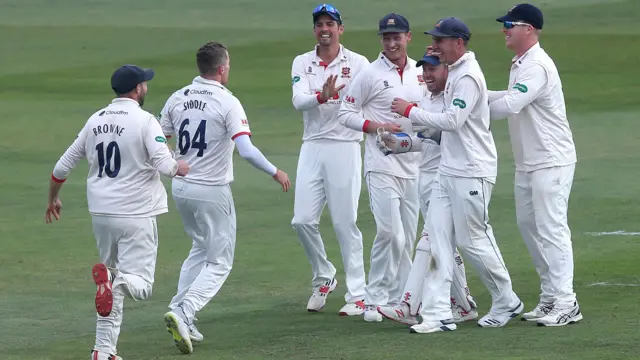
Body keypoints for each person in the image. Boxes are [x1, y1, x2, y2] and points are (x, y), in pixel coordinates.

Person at [45, 64, 190, 360]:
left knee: (109, 290)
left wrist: (53, 200)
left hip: (101, 213)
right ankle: (114, 281)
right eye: (144, 84)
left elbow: (62, 167)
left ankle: (103, 350)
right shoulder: (145, 121)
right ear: (137, 89)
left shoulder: (95, 120)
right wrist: (180, 167)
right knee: (139, 285)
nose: (146, 88)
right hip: (136, 214)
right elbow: (166, 166)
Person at [390, 17, 523, 333]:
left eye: (441, 40)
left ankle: (506, 299)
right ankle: (436, 314)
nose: (435, 45)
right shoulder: (454, 72)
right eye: (434, 40)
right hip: (448, 170)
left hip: (472, 170)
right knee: (438, 240)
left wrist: (409, 111)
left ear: (459, 42)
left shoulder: (467, 78)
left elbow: (452, 121)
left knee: (472, 238)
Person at [159, 41, 291, 354]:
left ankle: (180, 312)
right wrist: (275, 172)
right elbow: (245, 149)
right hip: (212, 190)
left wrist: (173, 164)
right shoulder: (227, 102)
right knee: (220, 262)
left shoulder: (178, 97)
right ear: (222, 68)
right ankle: (184, 311)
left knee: (200, 246)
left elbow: (158, 139)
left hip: (180, 187)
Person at [490, 4, 582, 326]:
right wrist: (474, 94)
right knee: (530, 228)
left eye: (510, 25)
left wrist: (465, 114)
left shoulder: (538, 65)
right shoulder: (521, 63)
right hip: (528, 162)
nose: (504, 29)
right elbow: (509, 95)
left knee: (552, 229)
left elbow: (512, 104)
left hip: (551, 160)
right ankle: (550, 297)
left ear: (528, 29)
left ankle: (567, 302)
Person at [376, 53, 478, 326]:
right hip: (427, 177)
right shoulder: (427, 100)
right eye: (425, 70)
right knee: (441, 244)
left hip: (449, 179)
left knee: (429, 239)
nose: (428, 75)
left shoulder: (452, 101)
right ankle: (465, 305)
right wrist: (400, 144)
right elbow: (428, 140)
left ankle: (408, 304)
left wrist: (410, 111)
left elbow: (448, 132)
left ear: (447, 70)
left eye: (433, 69)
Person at [337, 13, 427, 323]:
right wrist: (375, 126)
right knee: (391, 234)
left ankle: (404, 300)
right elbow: (344, 112)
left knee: (408, 238)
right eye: (386, 38)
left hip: (414, 165)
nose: (391, 42)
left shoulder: (420, 71)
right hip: (381, 164)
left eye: (397, 37)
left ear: (408, 37)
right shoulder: (370, 73)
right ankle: (374, 299)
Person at [290, 3, 371, 316]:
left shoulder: (358, 63)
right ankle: (324, 276)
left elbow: (370, 98)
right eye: (320, 24)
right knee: (302, 220)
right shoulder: (302, 62)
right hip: (312, 144)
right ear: (314, 30)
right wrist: (321, 97)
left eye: (330, 24)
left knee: (344, 221)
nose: (325, 29)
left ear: (340, 29)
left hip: (345, 144)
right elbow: (299, 101)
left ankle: (358, 294)